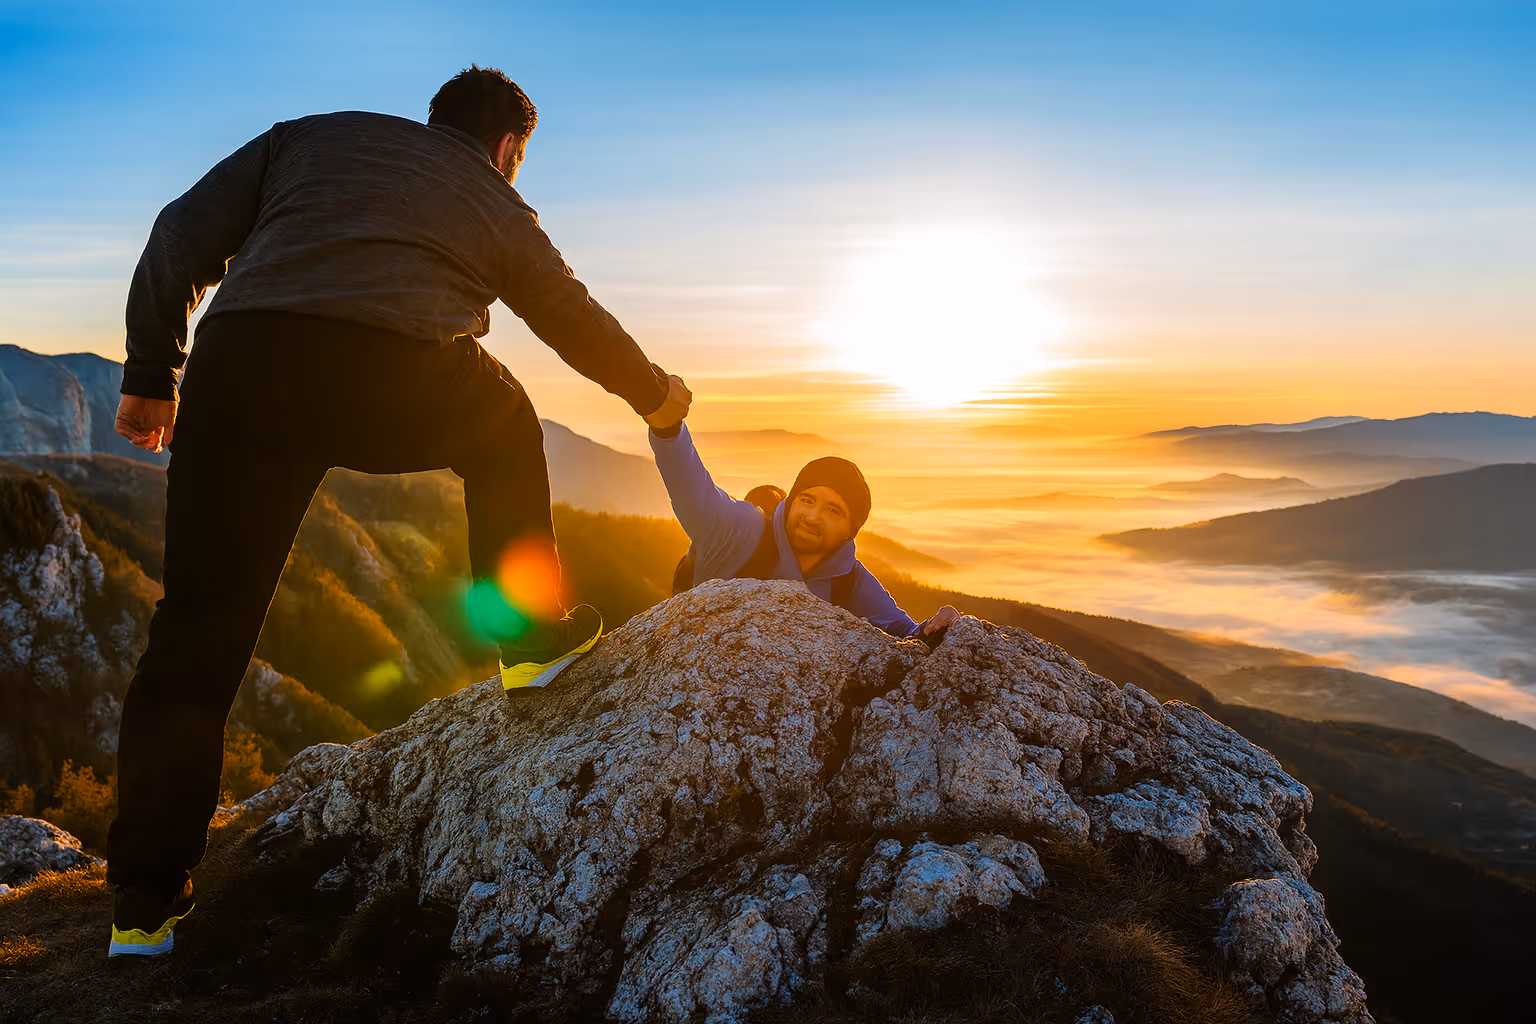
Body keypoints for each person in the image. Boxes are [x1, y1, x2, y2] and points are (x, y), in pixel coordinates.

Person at [106, 66, 690, 958]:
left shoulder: (308, 136)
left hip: (243, 365)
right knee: (503, 423)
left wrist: (153, 370)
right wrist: (655, 397)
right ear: (506, 149)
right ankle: (528, 634)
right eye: (520, 158)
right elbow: (572, 318)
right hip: (389, 370)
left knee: (195, 633)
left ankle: (142, 909)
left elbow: (178, 232)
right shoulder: (496, 201)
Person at [650, 419, 960, 640]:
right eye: (807, 499)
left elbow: (904, 631)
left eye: (832, 510)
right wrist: (667, 425)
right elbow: (691, 488)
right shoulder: (743, 531)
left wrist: (938, 627)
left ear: (849, 531)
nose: (813, 516)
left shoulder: (848, 580)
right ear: (793, 500)